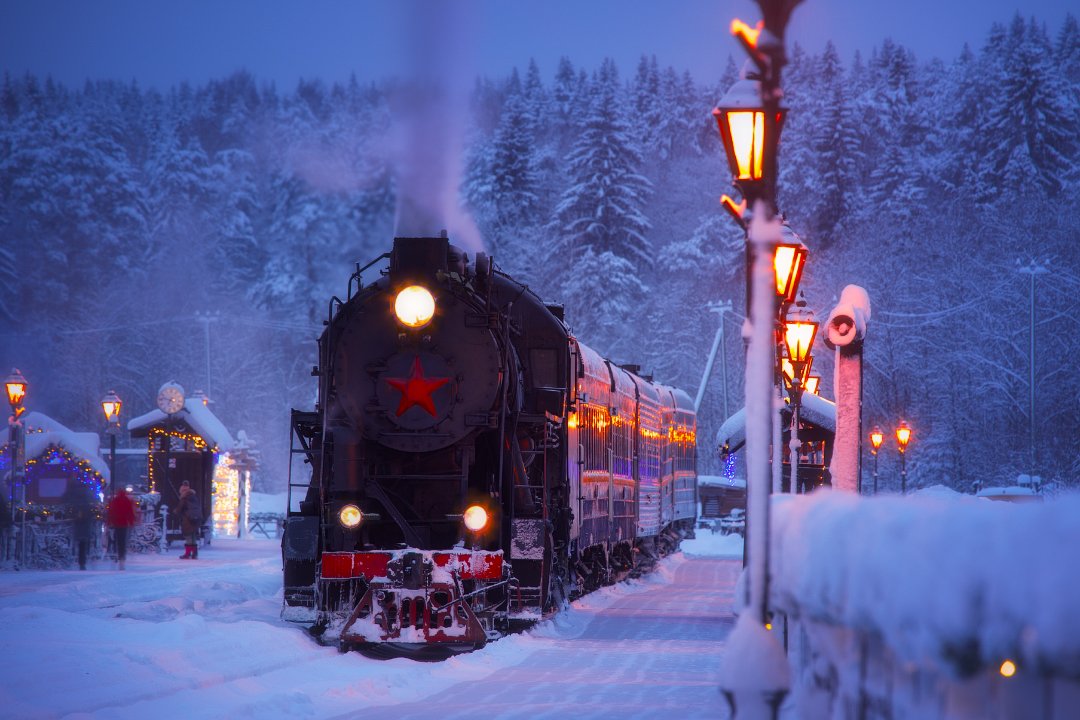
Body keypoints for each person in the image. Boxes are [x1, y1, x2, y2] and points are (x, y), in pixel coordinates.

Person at [107, 487, 137, 570]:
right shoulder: (126, 501)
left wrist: (109, 522)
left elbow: (111, 512)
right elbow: (130, 512)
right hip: (124, 523)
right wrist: (131, 522)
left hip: (116, 523)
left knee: (116, 539)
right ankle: (122, 557)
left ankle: (116, 554)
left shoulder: (115, 501)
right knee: (122, 541)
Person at [71, 485, 97, 570]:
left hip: (78, 528)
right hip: (85, 529)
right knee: (83, 546)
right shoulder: (87, 505)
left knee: (78, 545)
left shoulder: (76, 504)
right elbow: (90, 516)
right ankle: (82, 562)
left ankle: (79, 561)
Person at [176, 480, 202, 559]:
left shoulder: (184, 498)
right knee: (193, 536)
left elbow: (179, 509)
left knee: (188, 537)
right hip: (196, 519)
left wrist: (175, 511)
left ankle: (187, 553)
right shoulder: (194, 497)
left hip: (187, 519)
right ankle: (194, 553)